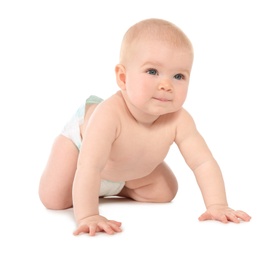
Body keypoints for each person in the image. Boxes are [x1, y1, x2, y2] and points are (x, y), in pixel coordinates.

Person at [39, 18, 251, 236]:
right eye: (152, 71)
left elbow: (203, 162)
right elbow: (90, 166)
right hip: (80, 154)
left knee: (166, 191)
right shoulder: (109, 114)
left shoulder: (179, 119)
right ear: (123, 78)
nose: (166, 85)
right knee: (54, 198)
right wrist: (88, 215)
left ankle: (116, 187)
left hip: (125, 170)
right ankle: (91, 191)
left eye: (178, 76)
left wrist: (217, 205)